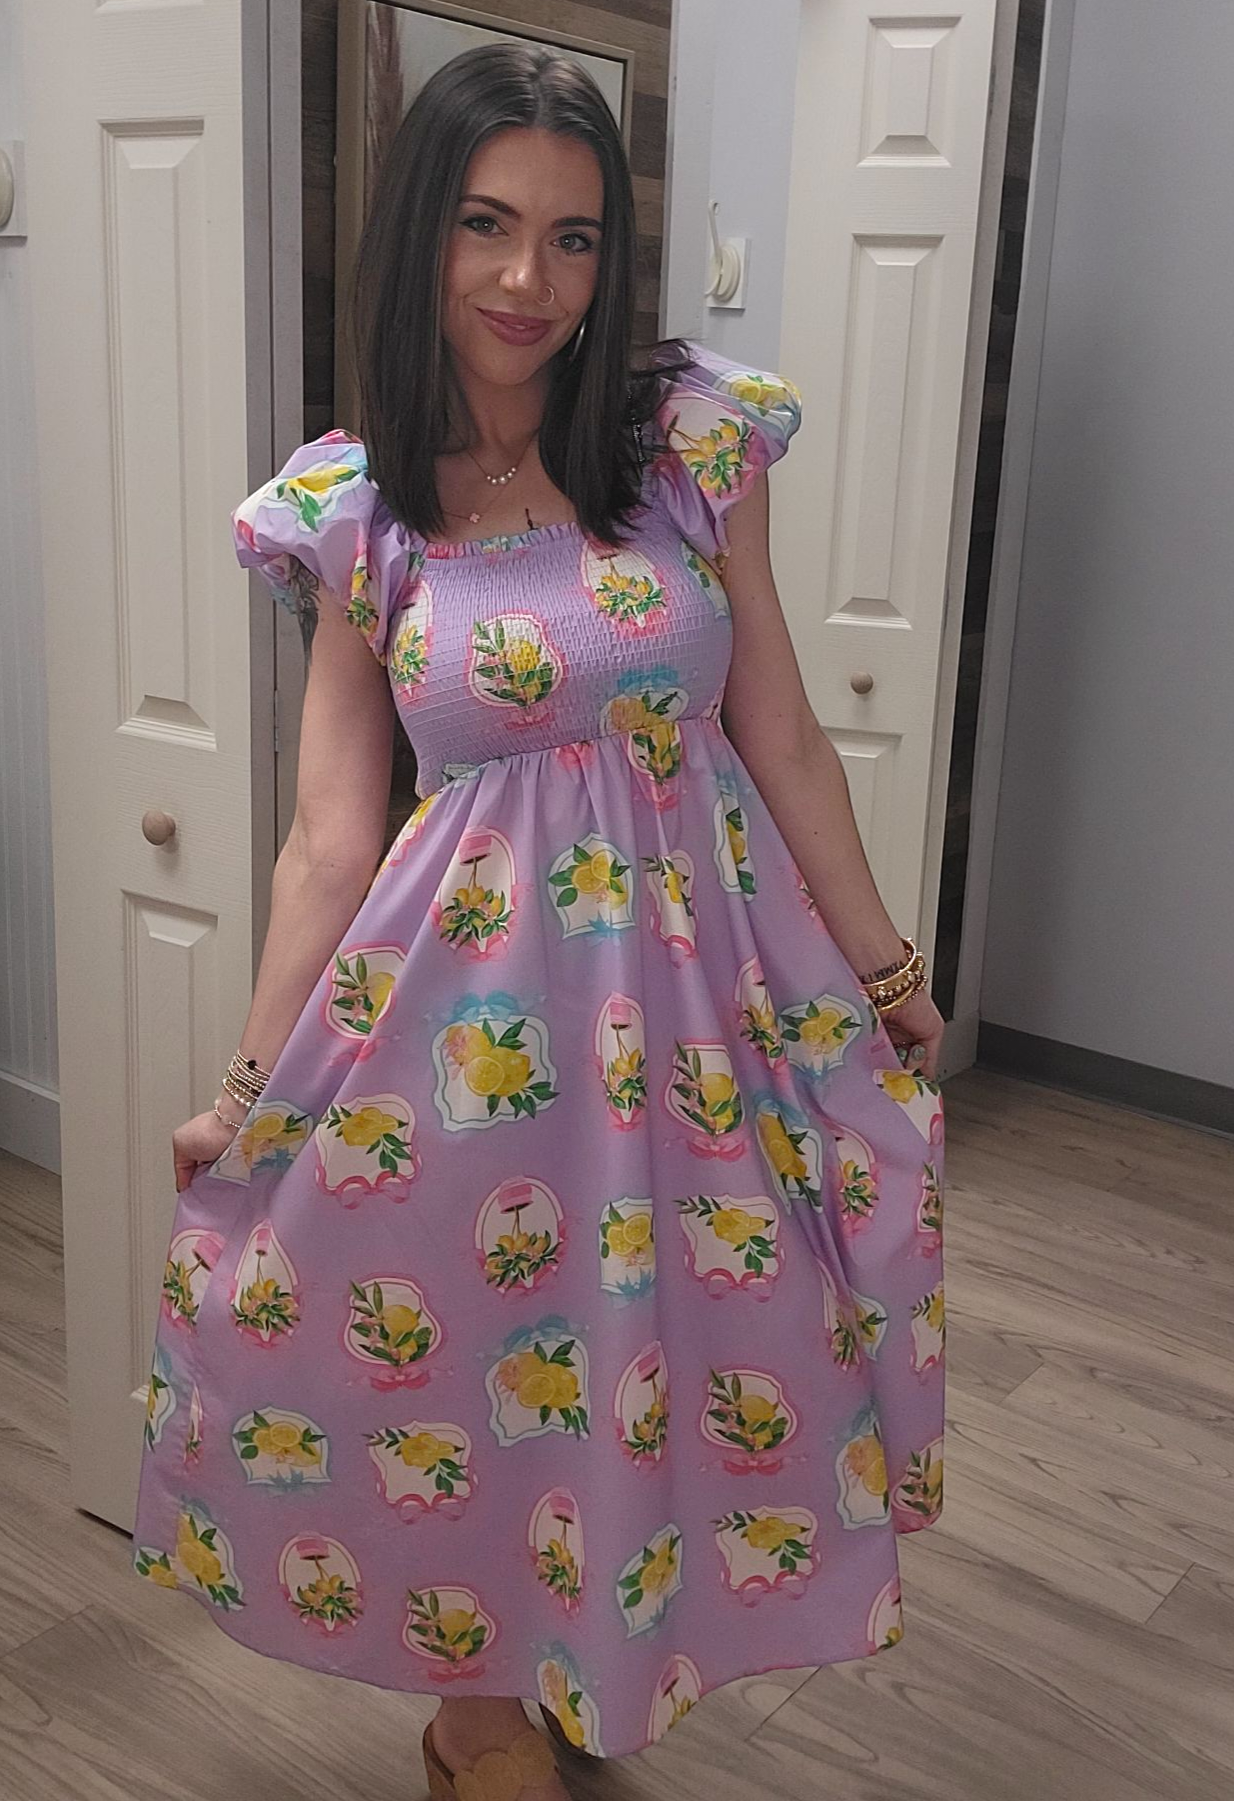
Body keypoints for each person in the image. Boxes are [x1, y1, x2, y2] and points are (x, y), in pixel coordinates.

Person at [130, 40, 946, 1801]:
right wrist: (250, 1085)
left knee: (682, 1350)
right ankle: (476, 1716)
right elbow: (329, 836)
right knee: (465, 1359)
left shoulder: (682, 447)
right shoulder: (360, 509)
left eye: (573, 237)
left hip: (705, 1020)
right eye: (488, 225)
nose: (529, 279)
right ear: (421, 231)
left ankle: (576, 1649)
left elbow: (781, 732)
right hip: (466, 1035)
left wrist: (884, 962)